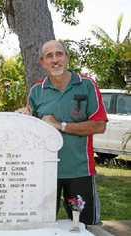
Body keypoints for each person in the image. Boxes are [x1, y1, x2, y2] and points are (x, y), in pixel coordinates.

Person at [26, 40, 108, 225]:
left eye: (59, 54)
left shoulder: (87, 85)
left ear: (67, 58)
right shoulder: (36, 91)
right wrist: (22, 118)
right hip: (45, 173)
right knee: (39, 226)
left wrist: (60, 125)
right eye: (49, 56)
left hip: (80, 171)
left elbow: (99, 125)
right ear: (42, 62)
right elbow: (29, 131)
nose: (55, 60)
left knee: (85, 226)